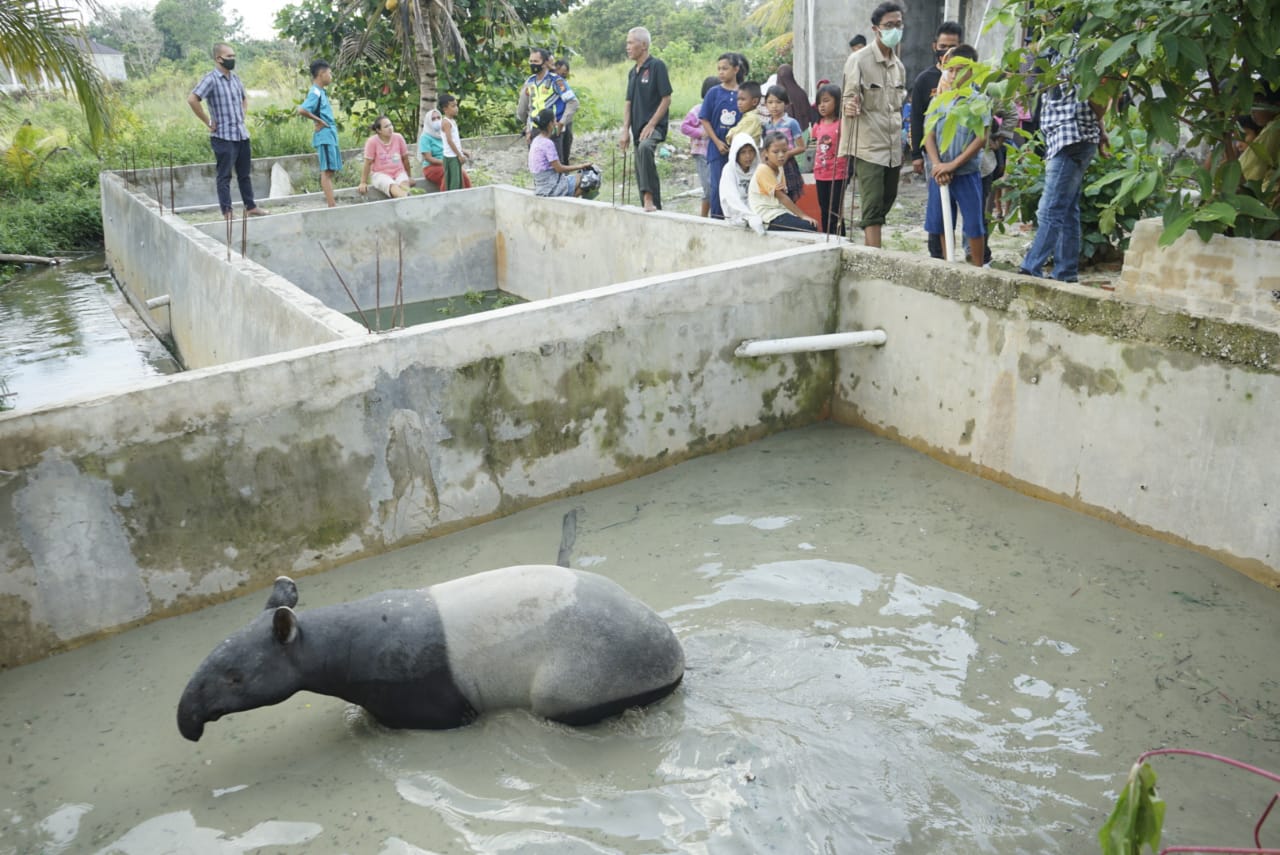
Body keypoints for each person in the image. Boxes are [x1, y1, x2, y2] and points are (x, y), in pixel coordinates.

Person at [1017, 29, 1108, 282]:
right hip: (1068, 136)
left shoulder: (1077, 53)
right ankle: (1066, 273)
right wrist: (1101, 132)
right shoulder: (1055, 54)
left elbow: (1098, 97)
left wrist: (1099, 128)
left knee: (1050, 209)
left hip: (1072, 137)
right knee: (1067, 210)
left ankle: (1030, 268)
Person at [839, 1, 907, 248]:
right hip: (868, 147)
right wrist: (850, 105)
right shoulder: (859, 60)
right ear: (875, 28)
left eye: (898, 24)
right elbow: (847, 97)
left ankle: (871, 250)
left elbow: (898, 106)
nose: (895, 30)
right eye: (889, 25)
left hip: (893, 147)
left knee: (888, 199)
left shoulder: (899, 66)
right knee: (873, 207)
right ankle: (874, 260)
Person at [923, 44, 989, 266]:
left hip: (965, 172)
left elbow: (980, 138)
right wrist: (937, 165)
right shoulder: (938, 100)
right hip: (940, 173)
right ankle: (948, 264)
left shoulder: (978, 102)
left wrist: (952, 165)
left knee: (973, 223)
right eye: (950, 70)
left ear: (973, 71)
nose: (954, 75)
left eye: (960, 69)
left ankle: (978, 268)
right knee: (942, 221)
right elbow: (929, 134)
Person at [186, 42, 267, 220]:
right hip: (223, 136)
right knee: (224, 176)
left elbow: (244, 99)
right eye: (229, 57)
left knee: (244, 174)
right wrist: (207, 121)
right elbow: (192, 99)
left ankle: (250, 206)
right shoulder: (211, 79)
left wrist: (242, 114)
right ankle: (227, 212)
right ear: (218, 58)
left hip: (241, 134)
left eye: (233, 56)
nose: (232, 59)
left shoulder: (235, 78)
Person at [619, 27, 673, 212]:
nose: (627, 47)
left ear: (643, 45)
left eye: (630, 42)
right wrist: (625, 129)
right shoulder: (632, 72)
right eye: (627, 43)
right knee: (641, 168)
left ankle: (649, 198)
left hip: (654, 126)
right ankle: (653, 206)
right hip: (637, 128)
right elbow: (628, 103)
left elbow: (666, 98)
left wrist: (652, 124)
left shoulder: (657, 66)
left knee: (644, 147)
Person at [910, 21, 963, 180]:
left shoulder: (968, 78)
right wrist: (916, 155)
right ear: (935, 46)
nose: (946, 51)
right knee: (938, 200)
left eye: (952, 46)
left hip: (962, 153)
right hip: (933, 152)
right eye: (942, 46)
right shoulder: (924, 79)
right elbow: (917, 117)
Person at [700, 52, 748, 218]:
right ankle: (717, 219)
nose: (721, 72)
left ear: (736, 69)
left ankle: (738, 217)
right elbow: (704, 119)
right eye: (719, 69)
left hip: (739, 150)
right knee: (717, 186)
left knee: (738, 185)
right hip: (717, 149)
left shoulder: (744, 93)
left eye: (725, 68)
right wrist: (717, 142)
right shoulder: (713, 93)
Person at [516, 48, 579, 163]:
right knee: (538, 166)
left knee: (555, 166)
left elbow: (573, 102)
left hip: (552, 129)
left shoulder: (556, 81)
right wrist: (528, 126)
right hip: (535, 129)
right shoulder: (529, 82)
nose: (532, 64)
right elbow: (522, 109)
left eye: (536, 61)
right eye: (531, 61)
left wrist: (562, 122)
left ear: (545, 63)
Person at [751, 132, 819, 232]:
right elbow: (782, 197)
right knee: (808, 227)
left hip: (779, 211)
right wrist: (803, 216)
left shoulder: (779, 167)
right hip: (767, 214)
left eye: (784, 151)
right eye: (776, 152)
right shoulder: (763, 170)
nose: (781, 155)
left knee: (810, 225)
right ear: (766, 152)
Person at [296, 59, 340, 208]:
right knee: (326, 171)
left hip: (329, 134)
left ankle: (331, 202)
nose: (331, 76)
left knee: (330, 169)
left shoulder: (321, 92)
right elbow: (302, 109)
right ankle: (331, 205)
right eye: (329, 73)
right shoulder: (315, 91)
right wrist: (319, 121)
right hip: (325, 135)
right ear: (321, 74)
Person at [527, 108, 595, 197]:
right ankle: (570, 203)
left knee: (575, 179)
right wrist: (581, 166)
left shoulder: (536, 140)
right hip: (552, 187)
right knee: (590, 179)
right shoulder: (548, 143)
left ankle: (569, 201)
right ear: (550, 124)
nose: (556, 123)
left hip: (540, 185)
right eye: (555, 120)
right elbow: (559, 169)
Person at [811, 82, 850, 235]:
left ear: (837, 101)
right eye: (819, 102)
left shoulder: (842, 124)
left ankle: (840, 237)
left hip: (838, 174)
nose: (822, 105)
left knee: (835, 210)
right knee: (824, 208)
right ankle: (827, 236)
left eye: (826, 101)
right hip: (820, 173)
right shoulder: (817, 125)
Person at [681, 76, 719, 217]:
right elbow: (684, 127)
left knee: (715, 185)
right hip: (701, 151)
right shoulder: (698, 110)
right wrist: (701, 133)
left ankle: (714, 216)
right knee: (708, 188)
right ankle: (703, 217)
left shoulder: (721, 110)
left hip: (715, 152)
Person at [763, 85, 805, 200]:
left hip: (787, 163)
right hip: (772, 165)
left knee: (789, 196)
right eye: (770, 102)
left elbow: (802, 147)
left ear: (786, 104)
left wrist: (787, 154)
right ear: (765, 104)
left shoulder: (791, 123)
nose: (774, 106)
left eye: (778, 102)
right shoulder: (766, 125)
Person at [719, 133, 765, 234]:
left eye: (751, 151)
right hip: (737, 215)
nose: (748, 156)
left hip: (756, 212)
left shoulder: (758, 169)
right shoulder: (729, 170)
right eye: (743, 152)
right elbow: (731, 198)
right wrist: (748, 216)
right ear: (736, 154)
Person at [358, 115, 414, 198]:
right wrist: (363, 182)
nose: (390, 128)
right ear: (378, 130)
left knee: (404, 184)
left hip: (399, 172)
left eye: (390, 125)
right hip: (380, 174)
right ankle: (407, 200)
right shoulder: (372, 142)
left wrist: (409, 177)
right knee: (392, 186)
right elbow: (367, 163)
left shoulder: (398, 138)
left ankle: (408, 199)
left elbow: (405, 159)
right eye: (386, 126)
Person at [418, 108, 473, 190]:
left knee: (462, 174)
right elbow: (428, 158)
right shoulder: (425, 137)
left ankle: (468, 195)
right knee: (449, 174)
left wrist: (463, 152)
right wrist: (446, 163)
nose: (436, 120)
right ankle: (446, 198)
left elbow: (450, 146)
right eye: (433, 119)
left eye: (438, 118)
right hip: (432, 167)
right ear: (428, 122)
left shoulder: (442, 133)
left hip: (447, 162)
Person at [439, 93, 473, 191]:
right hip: (451, 157)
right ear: (445, 109)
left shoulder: (452, 121)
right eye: (453, 106)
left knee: (458, 181)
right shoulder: (446, 122)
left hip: (455, 155)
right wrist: (459, 155)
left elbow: (455, 141)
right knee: (454, 182)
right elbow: (449, 140)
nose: (456, 108)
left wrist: (462, 152)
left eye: (456, 105)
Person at [775, 64, 816, 133]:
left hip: (784, 134)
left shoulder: (778, 95)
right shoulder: (801, 93)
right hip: (802, 133)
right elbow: (809, 115)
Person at [726, 81, 764, 145]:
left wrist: (731, 133)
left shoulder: (751, 119)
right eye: (738, 99)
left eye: (743, 99)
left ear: (754, 101)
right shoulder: (747, 116)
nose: (739, 103)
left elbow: (738, 139)